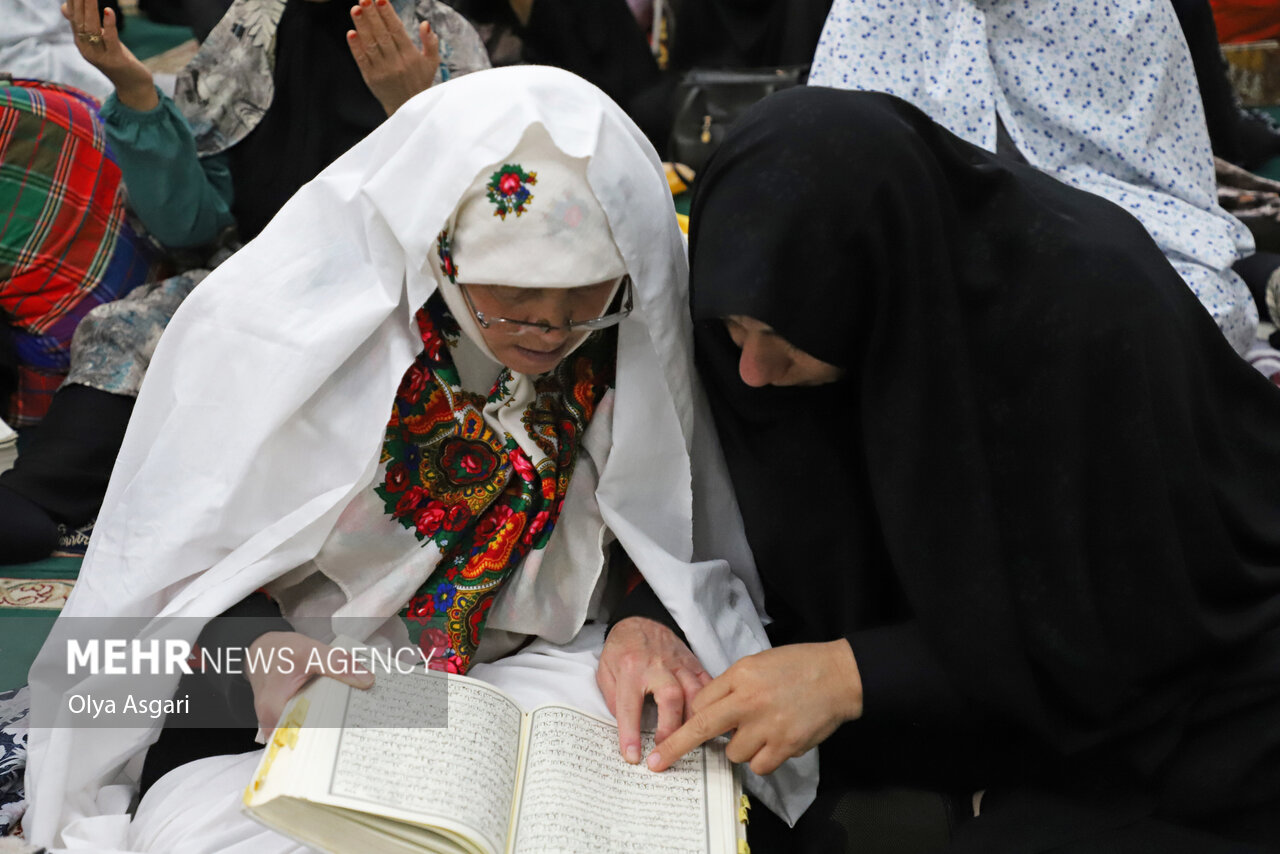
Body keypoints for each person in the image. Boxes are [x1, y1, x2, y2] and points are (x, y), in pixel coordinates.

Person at [24, 66, 814, 852]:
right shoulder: (298, 349)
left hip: (525, 684)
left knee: (664, 783)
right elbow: (122, 644)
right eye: (510, 301)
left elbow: (671, 523)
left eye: (582, 304)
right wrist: (249, 657)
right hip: (322, 699)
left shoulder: (623, 345)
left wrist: (642, 620)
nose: (547, 332)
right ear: (439, 251)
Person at [644, 86, 1280, 852]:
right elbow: (727, 512)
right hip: (955, 696)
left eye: (782, 334)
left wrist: (857, 674)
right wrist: (647, 618)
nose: (750, 369)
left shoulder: (1089, 317)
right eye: (734, 326)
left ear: (876, 281)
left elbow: (1130, 618)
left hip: (1184, 703)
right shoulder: (776, 334)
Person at [0, 0, 490, 563]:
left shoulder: (438, 33)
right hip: (262, 272)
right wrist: (134, 89)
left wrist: (413, 109)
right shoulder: (252, 28)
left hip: (397, 292)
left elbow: (478, 233)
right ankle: (39, 494)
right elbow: (189, 226)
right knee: (137, 327)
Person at [808, 0, 1269, 366]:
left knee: (1199, 308)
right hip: (930, 248)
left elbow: (1172, 196)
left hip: (1120, 240)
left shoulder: (1129, 8)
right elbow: (840, 189)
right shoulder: (873, 9)